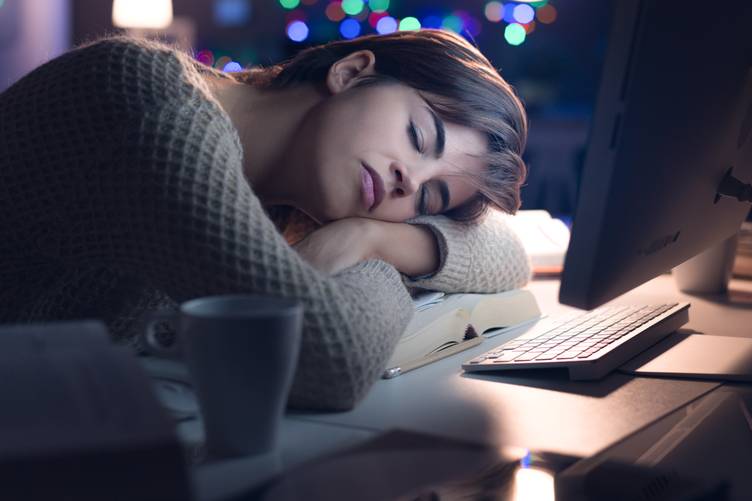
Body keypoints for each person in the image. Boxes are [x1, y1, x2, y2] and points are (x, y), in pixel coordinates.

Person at [0, 30, 530, 410]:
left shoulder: (289, 192)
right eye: (418, 137)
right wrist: (377, 262)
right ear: (350, 73)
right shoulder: (160, 111)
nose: (407, 183)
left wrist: (368, 237)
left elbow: (507, 251)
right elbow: (330, 362)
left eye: (429, 200)